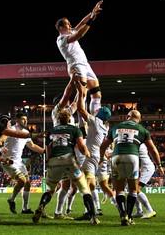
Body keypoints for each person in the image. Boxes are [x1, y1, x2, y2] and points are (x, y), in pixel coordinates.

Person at [31, 109, 100, 225]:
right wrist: (87, 153)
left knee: (50, 190)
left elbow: (47, 151)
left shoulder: (51, 131)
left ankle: (41, 206)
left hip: (53, 161)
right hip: (69, 160)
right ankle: (93, 217)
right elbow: (82, 147)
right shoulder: (74, 129)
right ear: (69, 119)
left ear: (58, 119)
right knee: (84, 189)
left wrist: (50, 163)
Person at [99, 109, 163, 226]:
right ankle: (129, 216)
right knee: (133, 190)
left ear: (127, 117)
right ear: (139, 119)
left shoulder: (116, 127)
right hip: (133, 158)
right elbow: (153, 149)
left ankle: (123, 214)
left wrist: (100, 158)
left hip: (116, 157)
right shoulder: (142, 130)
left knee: (119, 190)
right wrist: (159, 165)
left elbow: (103, 146)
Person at [55, 0, 103, 118]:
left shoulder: (70, 32)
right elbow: (80, 34)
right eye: (67, 24)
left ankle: (95, 120)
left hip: (85, 64)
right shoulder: (61, 39)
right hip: (76, 66)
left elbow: (81, 23)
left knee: (97, 94)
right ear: (61, 28)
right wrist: (91, 19)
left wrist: (92, 13)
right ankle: (84, 126)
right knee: (83, 94)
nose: (70, 25)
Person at [74, 79, 112, 220]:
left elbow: (81, 110)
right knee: (87, 182)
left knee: (86, 184)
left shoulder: (96, 122)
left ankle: (91, 212)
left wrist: (80, 92)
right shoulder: (104, 126)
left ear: (99, 113)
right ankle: (90, 210)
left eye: (97, 111)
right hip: (94, 155)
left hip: (91, 156)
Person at [0, 111, 45, 214]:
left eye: (26, 119)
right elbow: (0, 140)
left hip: (19, 162)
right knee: (22, 180)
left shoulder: (25, 133)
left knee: (27, 183)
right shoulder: (11, 130)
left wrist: (44, 151)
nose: (26, 121)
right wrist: (1, 147)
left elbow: (32, 146)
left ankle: (25, 208)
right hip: (8, 161)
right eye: (23, 119)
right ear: (17, 120)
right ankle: (11, 199)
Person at [51, 76, 80, 219]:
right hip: (62, 151)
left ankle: (57, 211)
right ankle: (50, 210)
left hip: (67, 150)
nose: (69, 105)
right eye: (66, 103)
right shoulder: (58, 110)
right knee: (61, 185)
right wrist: (73, 80)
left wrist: (81, 88)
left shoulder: (67, 114)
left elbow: (75, 102)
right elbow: (67, 95)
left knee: (65, 185)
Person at [132, 143, 157, 219]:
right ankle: (139, 211)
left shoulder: (136, 144)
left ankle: (150, 210)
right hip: (142, 168)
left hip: (147, 169)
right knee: (131, 188)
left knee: (136, 190)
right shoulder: (139, 141)